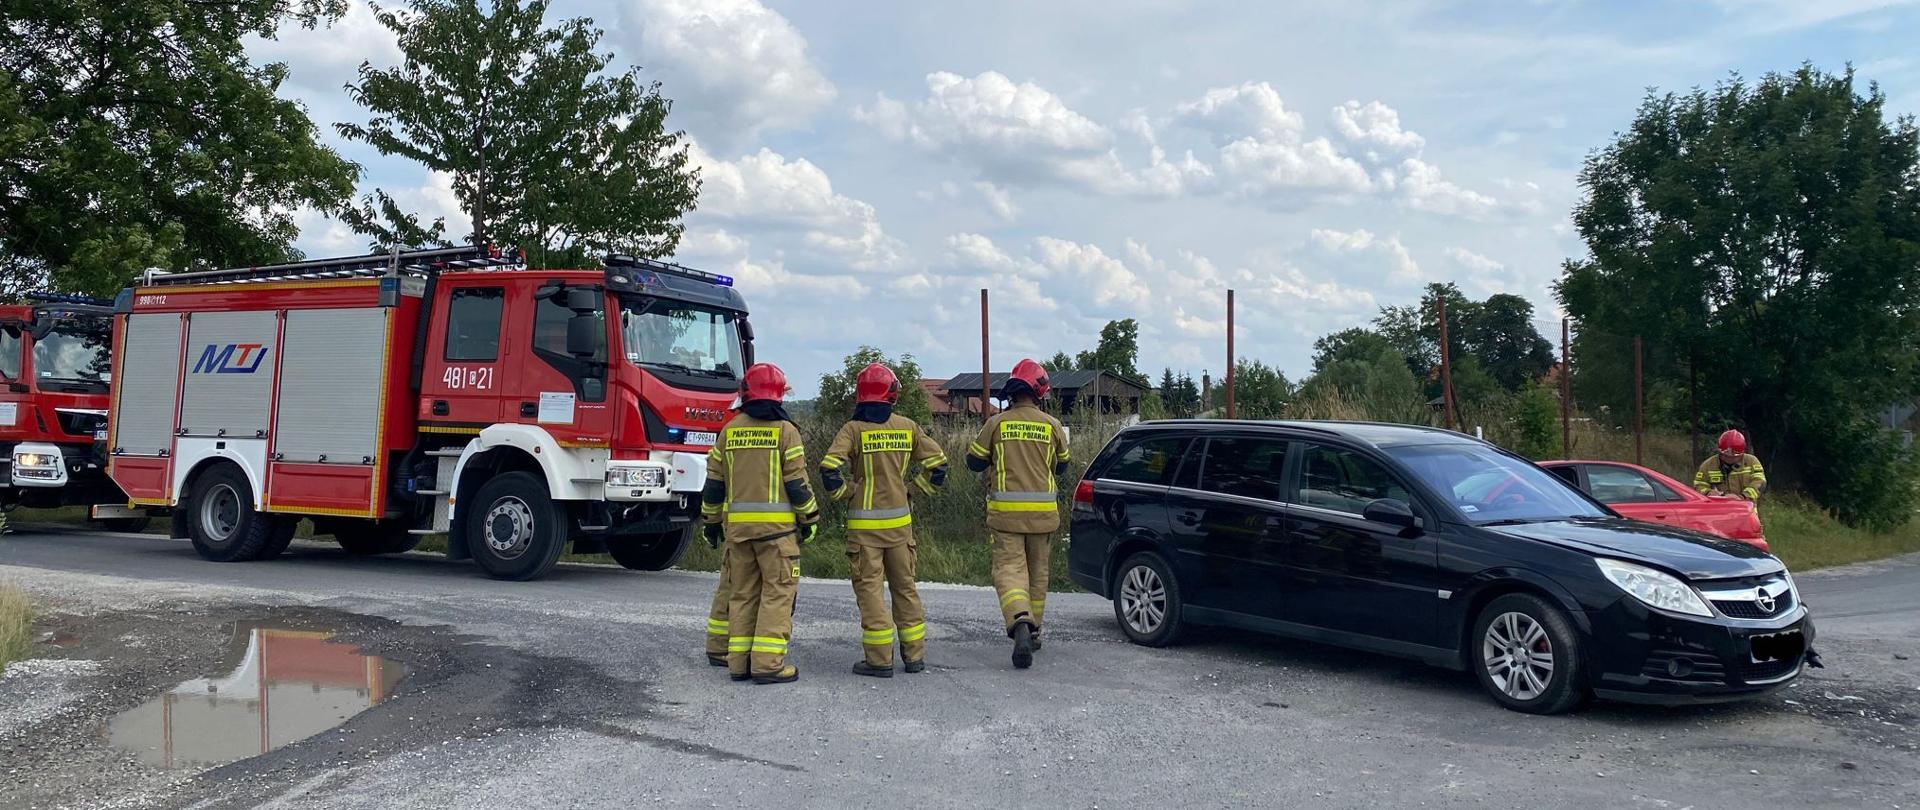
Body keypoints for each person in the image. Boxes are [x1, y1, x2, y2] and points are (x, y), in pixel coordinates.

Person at [820, 364, 949, 678]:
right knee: (906, 589)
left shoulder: (852, 430)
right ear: (893, 395)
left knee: (871, 592)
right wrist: (913, 490)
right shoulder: (907, 427)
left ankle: (879, 660)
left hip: (864, 530)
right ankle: (914, 656)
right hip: (900, 528)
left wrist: (850, 492)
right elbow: (939, 466)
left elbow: (828, 469)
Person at [701, 363, 820, 684]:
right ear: (779, 396)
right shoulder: (786, 432)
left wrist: (711, 523)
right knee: (777, 594)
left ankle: (738, 663)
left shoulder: (730, 430)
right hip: (778, 535)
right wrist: (810, 518)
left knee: (742, 594)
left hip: (738, 534)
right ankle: (768, 664)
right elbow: (797, 484)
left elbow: (713, 485)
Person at [966, 359, 1070, 669]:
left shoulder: (997, 424)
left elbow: (973, 462)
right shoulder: (1051, 425)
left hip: (1006, 517)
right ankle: (1034, 633)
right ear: (1040, 392)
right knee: (1038, 576)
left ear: (1013, 391)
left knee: (1010, 572)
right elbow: (1063, 466)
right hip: (1043, 517)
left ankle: (1020, 622)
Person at [1694, 429, 1767, 501]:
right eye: (1725, 456)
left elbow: (1760, 482)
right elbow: (1698, 484)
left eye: (1733, 457)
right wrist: (1708, 492)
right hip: (1719, 510)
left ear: (1742, 453)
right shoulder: (1708, 465)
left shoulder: (1751, 462)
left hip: (1745, 510)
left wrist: (1743, 497)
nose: (1729, 459)